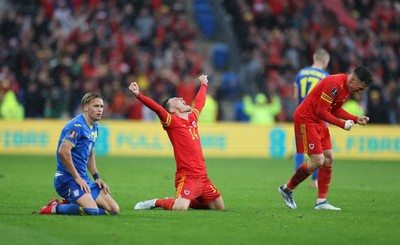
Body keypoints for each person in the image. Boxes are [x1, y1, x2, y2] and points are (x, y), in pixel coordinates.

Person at [278, 66, 372, 210]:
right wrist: (342, 124)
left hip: (318, 120)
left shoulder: (346, 89)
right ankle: (287, 189)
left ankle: (321, 201)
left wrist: (356, 118)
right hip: (306, 118)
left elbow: (334, 109)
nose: (358, 92)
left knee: (328, 159)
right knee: (318, 160)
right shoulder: (334, 84)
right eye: (359, 88)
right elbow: (321, 111)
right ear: (352, 80)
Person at [129, 74, 225, 211]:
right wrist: (138, 95)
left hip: (203, 177)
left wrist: (204, 84)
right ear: (172, 110)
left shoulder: (192, 118)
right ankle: (156, 202)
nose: (181, 98)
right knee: (180, 208)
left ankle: (180, 200)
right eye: (176, 99)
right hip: (187, 177)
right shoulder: (172, 122)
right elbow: (157, 108)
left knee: (218, 208)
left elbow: (200, 102)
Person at [39, 92, 119, 215]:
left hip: (83, 179)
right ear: (85, 107)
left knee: (114, 210)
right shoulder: (76, 126)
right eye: (96, 106)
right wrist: (77, 177)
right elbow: (63, 151)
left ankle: (72, 203)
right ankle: (54, 207)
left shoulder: (95, 127)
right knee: (91, 211)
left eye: (101, 106)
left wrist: (97, 178)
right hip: (67, 179)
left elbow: (90, 153)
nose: (100, 110)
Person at [293, 48, 330, 188]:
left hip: (301, 114)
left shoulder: (301, 73)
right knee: (318, 152)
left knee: (300, 149)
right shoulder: (325, 76)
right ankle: (314, 181)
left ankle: (295, 181)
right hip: (317, 117)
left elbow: (296, 96)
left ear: (314, 58)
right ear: (325, 61)